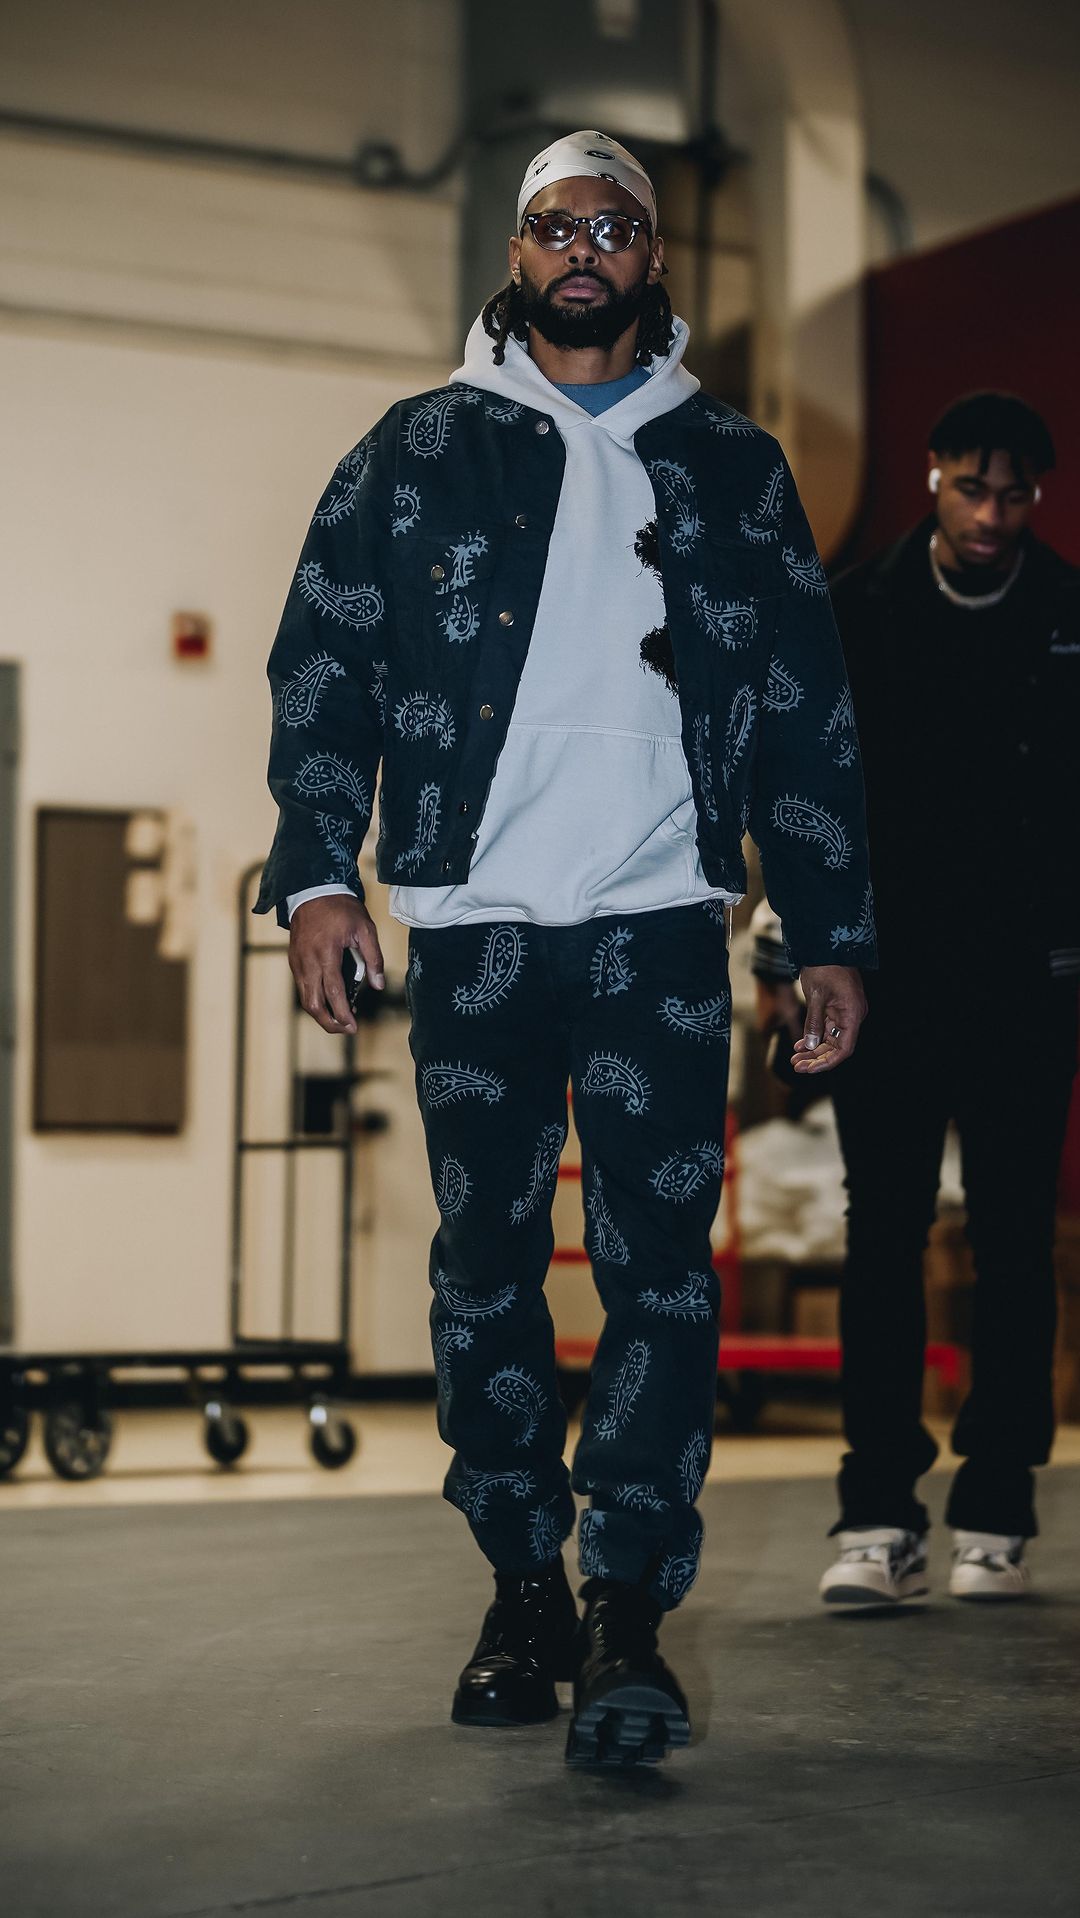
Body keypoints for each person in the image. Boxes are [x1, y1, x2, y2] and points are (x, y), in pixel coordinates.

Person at [256, 131, 873, 1767]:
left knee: (660, 1273)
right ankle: (523, 1583)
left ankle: (627, 1615)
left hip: (659, 923)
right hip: (473, 925)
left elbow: (807, 714)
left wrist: (828, 931)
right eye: (554, 225)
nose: (582, 249)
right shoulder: (416, 450)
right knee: (485, 1268)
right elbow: (323, 663)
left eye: (613, 226)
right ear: (517, 251)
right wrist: (315, 875)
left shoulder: (731, 466)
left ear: (655, 258)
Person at [757, 393, 1079, 1608]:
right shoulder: (857, 610)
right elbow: (802, 792)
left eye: (1014, 494)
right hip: (879, 978)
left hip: (1027, 984)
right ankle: (878, 1514)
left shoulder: (1069, 615)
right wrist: (785, 953)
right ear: (935, 474)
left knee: (1012, 1242)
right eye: (972, 487)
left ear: (1036, 496)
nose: (992, 514)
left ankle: (996, 1511)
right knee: (881, 1235)